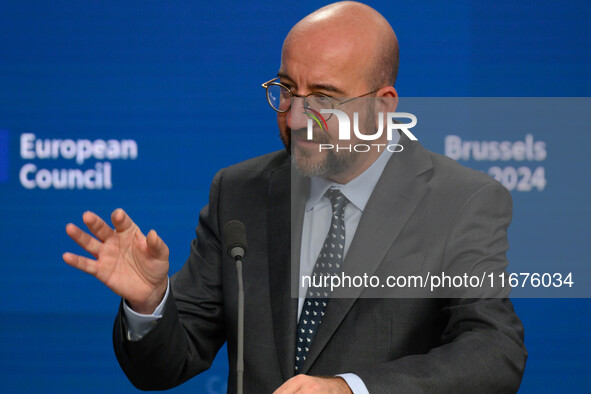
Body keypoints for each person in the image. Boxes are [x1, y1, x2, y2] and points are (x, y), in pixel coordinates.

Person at [64, 2, 527, 393]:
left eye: (324, 97)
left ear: (383, 106)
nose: (297, 117)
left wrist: (350, 388)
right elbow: (165, 366)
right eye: (287, 89)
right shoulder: (238, 192)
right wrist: (150, 305)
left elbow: (493, 351)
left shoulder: (461, 200)